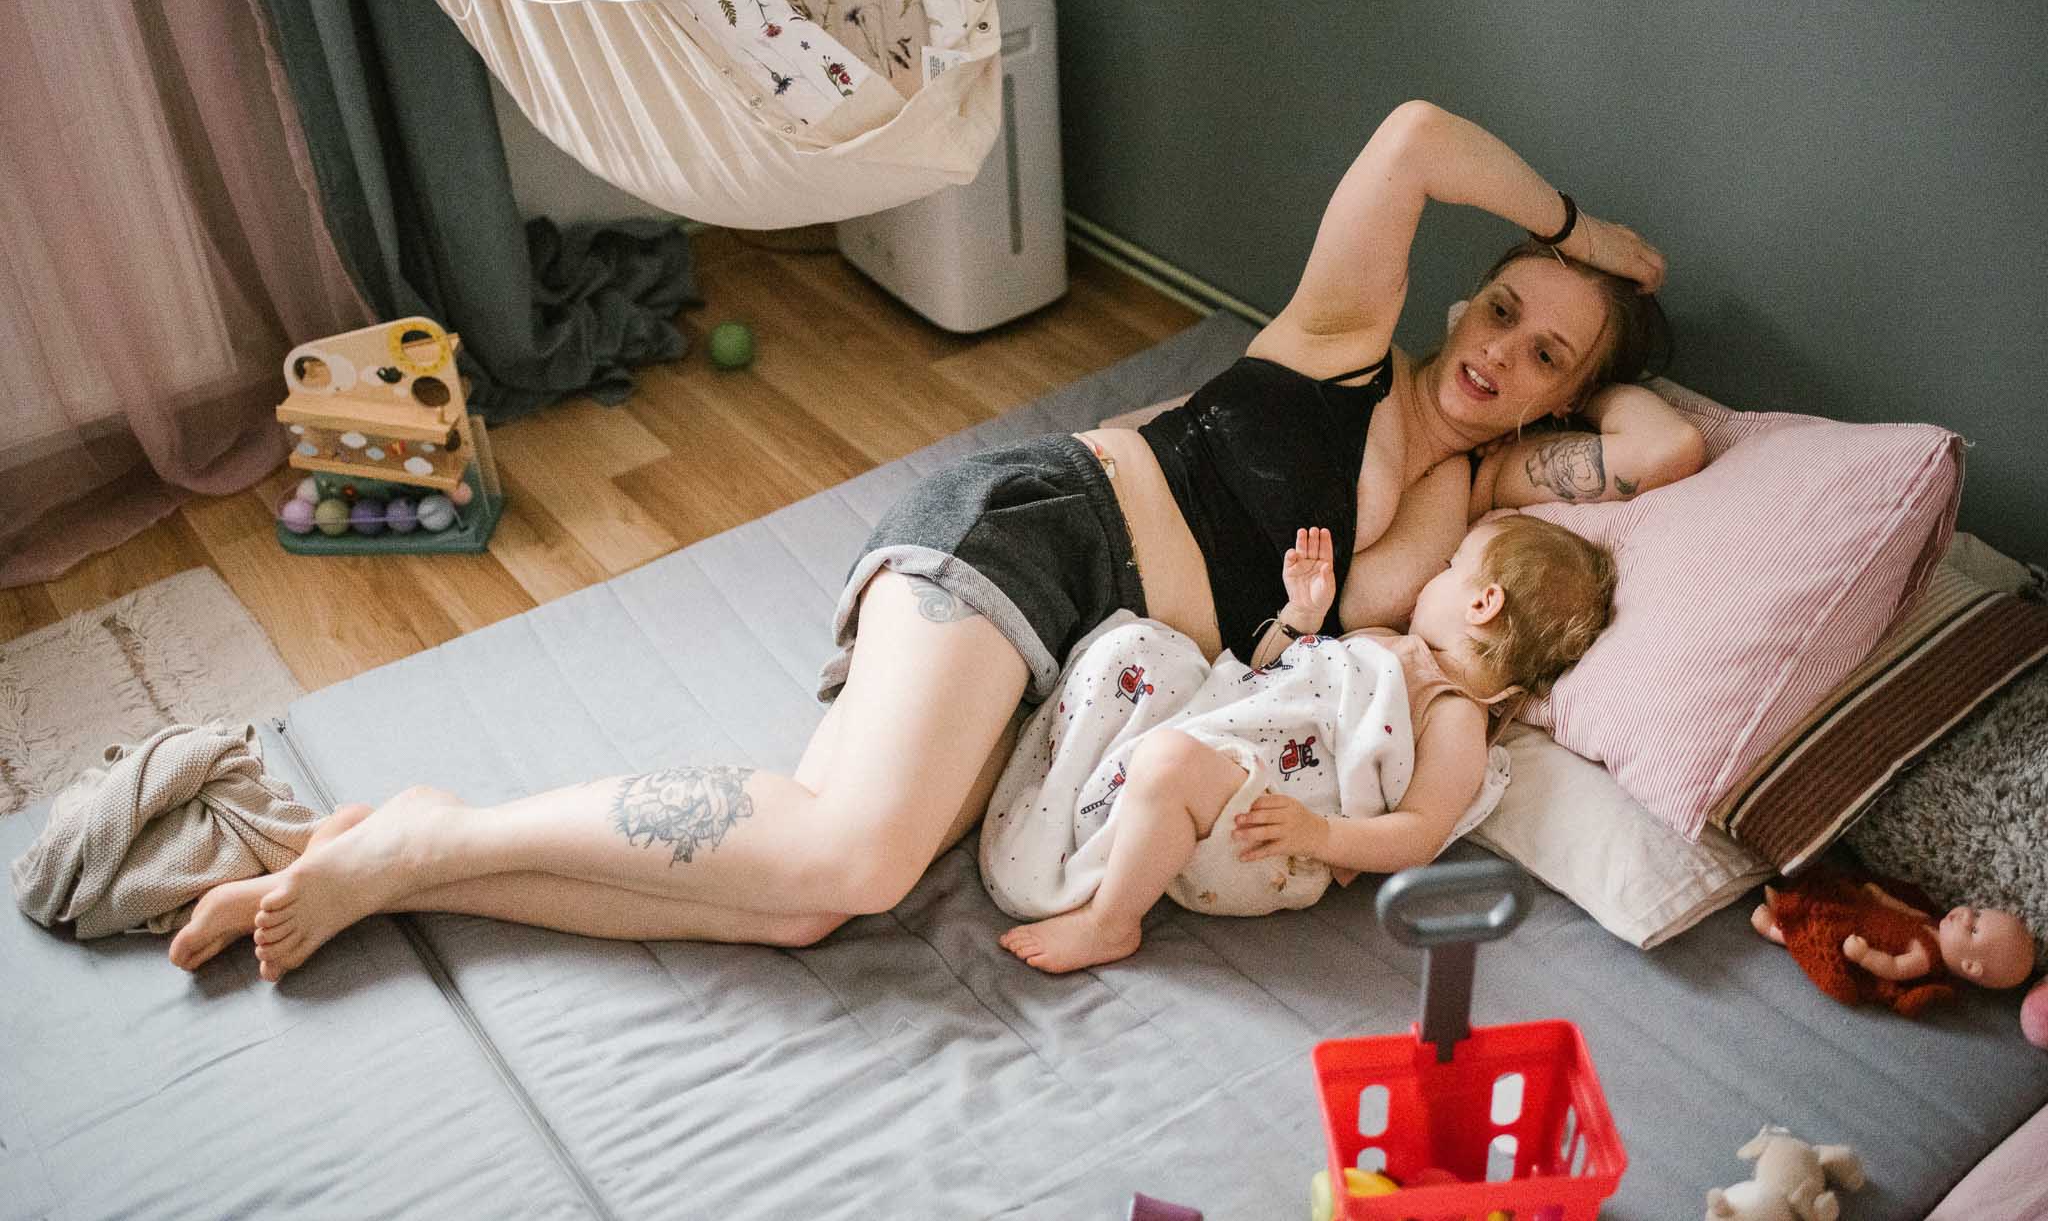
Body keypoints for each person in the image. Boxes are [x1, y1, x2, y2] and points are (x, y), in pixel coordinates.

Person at [242, 99, 1704, 983]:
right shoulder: (1342, 341)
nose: (1501, 353)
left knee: (811, 903)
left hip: (1085, 667)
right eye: (1502, 310)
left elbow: (1669, 448)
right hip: (1041, 536)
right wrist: (1581, 231)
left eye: (1547, 355)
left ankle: (408, 857)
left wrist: (1600, 357)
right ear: (1459, 302)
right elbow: (1416, 138)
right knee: (856, 850)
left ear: (1563, 399)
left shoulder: (1473, 518)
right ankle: (433, 835)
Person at [985, 516, 1614, 973]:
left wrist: (1317, 835)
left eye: (1450, 567)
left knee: (1170, 763)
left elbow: (1420, 834)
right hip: (1231, 742)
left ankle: (1110, 923)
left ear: (1482, 603)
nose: (1434, 575)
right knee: (1138, 645)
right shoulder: (1386, 644)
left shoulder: (1455, 716)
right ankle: (1093, 780)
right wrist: (1301, 619)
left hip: (1264, 831)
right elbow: (1271, 687)